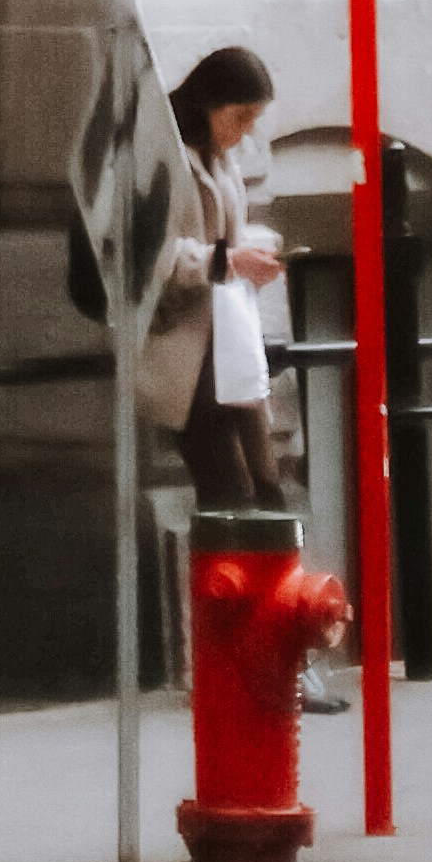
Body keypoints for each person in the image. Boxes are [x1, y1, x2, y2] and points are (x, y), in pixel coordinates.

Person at [143, 40, 294, 518]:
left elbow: (224, 233)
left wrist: (253, 254)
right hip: (187, 350)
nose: (247, 132)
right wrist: (231, 261)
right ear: (208, 104)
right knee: (232, 494)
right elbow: (156, 256)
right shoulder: (163, 158)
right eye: (241, 116)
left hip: (229, 341)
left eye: (255, 118)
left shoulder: (220, 157)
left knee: (269, 489)